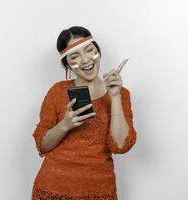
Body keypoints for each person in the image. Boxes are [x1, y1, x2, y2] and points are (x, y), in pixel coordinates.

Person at [31, 26, 137, 200]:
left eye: (90, 51)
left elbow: (120, 146)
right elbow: (42, 146)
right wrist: (65, 125)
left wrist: (115, 97)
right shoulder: (56, 92)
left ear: (98, 52)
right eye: (75, 56)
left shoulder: (121, 94)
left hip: (99, 189)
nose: (86, 60)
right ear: (67, 64)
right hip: (53, 187)